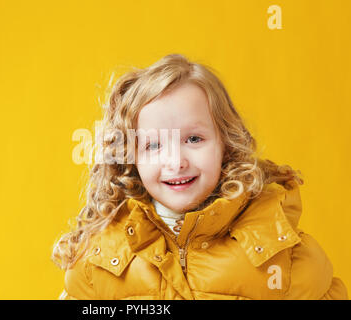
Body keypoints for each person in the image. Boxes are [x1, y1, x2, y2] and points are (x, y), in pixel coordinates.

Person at [52, 54, 348, 300]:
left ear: (226, 143)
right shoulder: (100, 258)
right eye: (154, 145)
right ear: (131, 155)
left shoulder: (281, 251)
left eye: (193, 139)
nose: (176, 161)